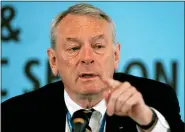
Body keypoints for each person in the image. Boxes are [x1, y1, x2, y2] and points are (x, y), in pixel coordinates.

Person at [2, 3, 184, 132]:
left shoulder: (156, 99)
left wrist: (148, 123)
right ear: (54, 61)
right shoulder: (15, 116)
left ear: (116, 55)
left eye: (98, 46)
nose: (87, 58)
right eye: (74, 48)